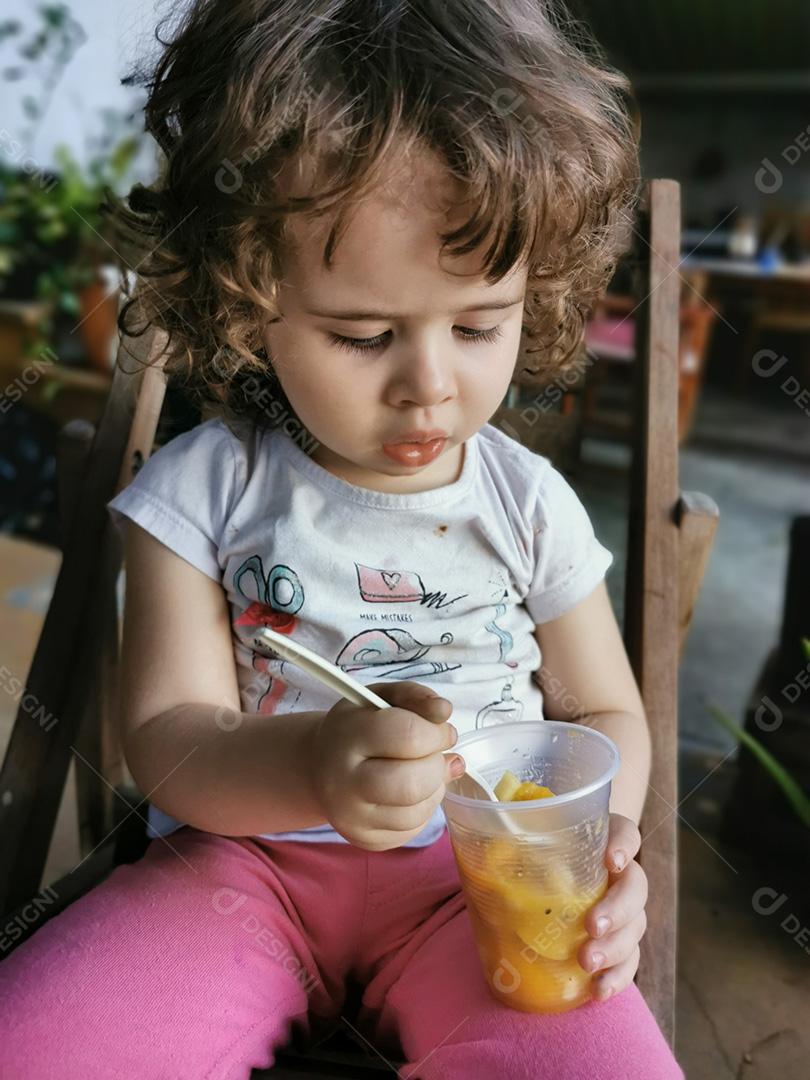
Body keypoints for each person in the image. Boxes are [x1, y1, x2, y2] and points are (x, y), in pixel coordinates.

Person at [0, 2, 685, 1077]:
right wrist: (314, 767)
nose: (430, 385)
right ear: (246, 302)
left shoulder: (529, 502)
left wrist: (591, 848)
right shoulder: (201, 491)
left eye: (478, 324)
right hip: (238, 874)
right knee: (42, 1046)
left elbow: (605, 709)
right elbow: (168, 741)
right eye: (362, 334)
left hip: (481, 892)